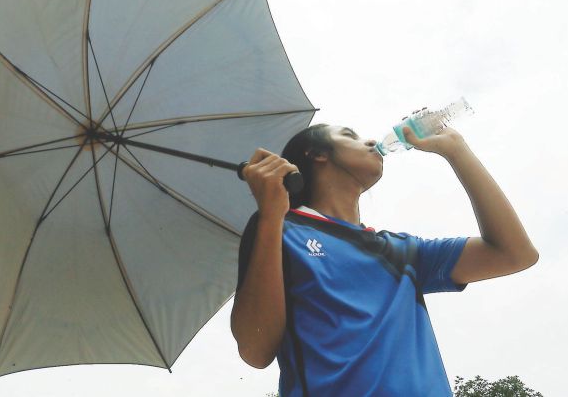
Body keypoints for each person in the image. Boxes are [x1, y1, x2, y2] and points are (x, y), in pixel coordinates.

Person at [231, 123, 539, 396]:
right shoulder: (281, 230)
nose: (368, 141)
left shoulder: (403, 251)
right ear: (317, 154)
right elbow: (255, 350)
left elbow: (514, 253)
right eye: (349, 135)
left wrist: (456, 150)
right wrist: (271, 216)